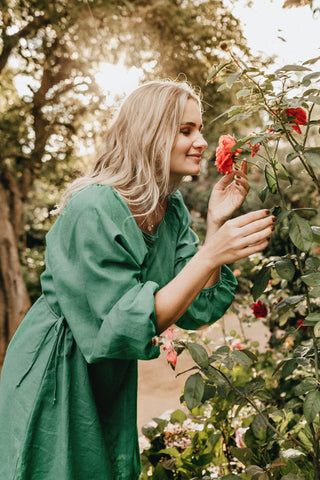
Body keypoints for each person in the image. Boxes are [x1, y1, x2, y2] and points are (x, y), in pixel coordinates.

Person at [0, 80, 274, 480]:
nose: (201, 140)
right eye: (186, 130)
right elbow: (120, 324)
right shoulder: (93, 207)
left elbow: (198, 306)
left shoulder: (172, 209)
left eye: (199, 129)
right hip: (58, 369)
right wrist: (212, 253)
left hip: (109, 372)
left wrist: (215, 226)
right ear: (150, 133)